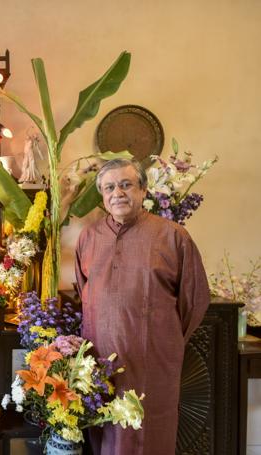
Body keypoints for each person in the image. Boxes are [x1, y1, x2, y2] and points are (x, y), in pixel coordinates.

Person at [74, 159, 210, 455]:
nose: (118, 193)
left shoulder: (173, 236)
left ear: (143, 190)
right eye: (109, 187)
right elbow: (84, 294)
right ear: (102, 196)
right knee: (105, 433)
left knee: (150, 434)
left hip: (153, 363)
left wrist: (162, 338)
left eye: (126, 185)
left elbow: (195, 299)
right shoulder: (88, 238)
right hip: (101, 365)